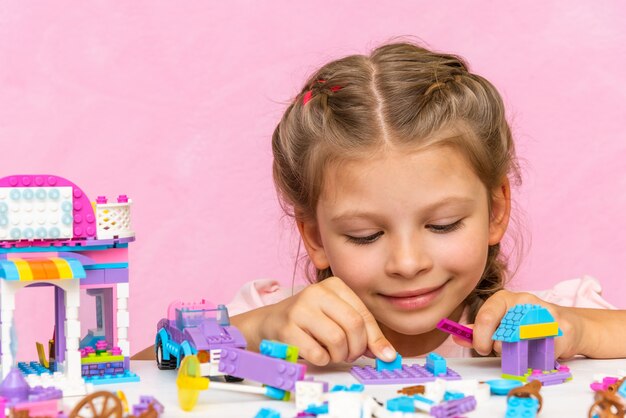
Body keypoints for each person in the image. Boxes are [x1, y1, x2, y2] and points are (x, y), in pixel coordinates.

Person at [133, 42, 625, 364]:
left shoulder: (552, 324)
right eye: (365, 235)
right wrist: (258, 327)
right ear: (314, 236)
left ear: (496, 211)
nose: (407, 264)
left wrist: (581, 331)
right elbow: (131, 374)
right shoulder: (271, 326)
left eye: (444, 224)